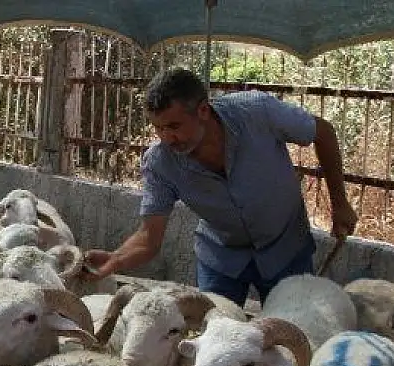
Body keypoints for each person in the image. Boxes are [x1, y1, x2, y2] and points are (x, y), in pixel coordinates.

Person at [83, 68, 358, 306]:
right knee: (213, 336)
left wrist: (340, 203)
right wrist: (116, 260)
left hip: (286, 248)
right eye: (158, 128)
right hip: (223, 258)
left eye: (174, 126)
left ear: (203, 110)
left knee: (291, 336)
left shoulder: (258, 111)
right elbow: (149, 237)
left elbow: (322, 132)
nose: (167, 137)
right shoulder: (159, 163)